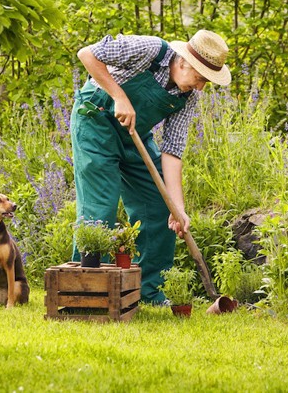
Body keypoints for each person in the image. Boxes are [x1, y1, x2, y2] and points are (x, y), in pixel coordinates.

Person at [70, 30, 231, 304]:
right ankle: (87, 292)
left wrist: (177, 208)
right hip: (95, 122)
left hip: (134, 136)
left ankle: (147, 290)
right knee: (100, 209)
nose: (201, 87)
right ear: (183, 62)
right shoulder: (149, 50)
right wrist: (119, 96)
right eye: (200, 78)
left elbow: (173, 151)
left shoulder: (186, 98)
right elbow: (87, 54)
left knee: (160, 206)